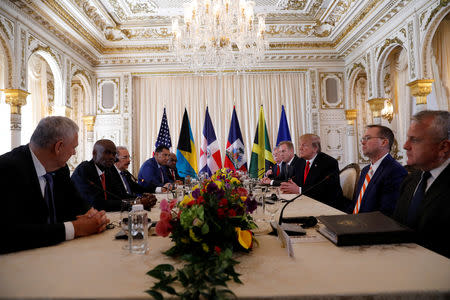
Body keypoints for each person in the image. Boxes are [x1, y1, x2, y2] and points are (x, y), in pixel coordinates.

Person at [0, 116, 109, 254]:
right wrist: (75, 228)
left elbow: (75, 201)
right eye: (73, 147)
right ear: (58, 147)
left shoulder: (60, 168)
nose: (74, 152)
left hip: (59, 252)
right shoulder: (6, 169)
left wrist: (92, 215)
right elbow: (10, 234)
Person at [393, 110, 449, 258]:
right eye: (407, 138)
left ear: (443, 147)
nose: (405, 146)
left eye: (415, 140)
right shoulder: (411, 179)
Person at [348, 125, 407, 216]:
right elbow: (357, 204)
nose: (363, 142)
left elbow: (386, 213)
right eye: (363, 139)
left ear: (383, 142)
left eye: (368, 138)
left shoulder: (395, 171)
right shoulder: (365, 170)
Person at [280, 134, 343, 208]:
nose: (300, 148)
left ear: (315, 148)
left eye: (304, 145)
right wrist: (288, 186)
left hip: (327, 206)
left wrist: (299, 190)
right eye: (300, 145)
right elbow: (297, 180)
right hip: (306, 203)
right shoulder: (300, 162)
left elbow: (325, 190)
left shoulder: (329, 163)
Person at [71, 139, 122, 211]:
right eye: (107, 153)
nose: (111, 157)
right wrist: (127, 204)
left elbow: (119, 195)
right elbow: (95, 203)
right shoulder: (84, 169)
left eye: (114, 154)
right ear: (94, 153)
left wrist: (138, 201)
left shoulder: (108, 170)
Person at [111, 146, 157, 210]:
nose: (129, 160)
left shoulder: (125, 173)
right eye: (125, 157)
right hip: (120, 208)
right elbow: (121, 195)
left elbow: (136, 187)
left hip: (131, 205)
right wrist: (139, 199)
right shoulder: (111, 173)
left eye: (129, 157)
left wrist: (152, 192)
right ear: (115, 159)